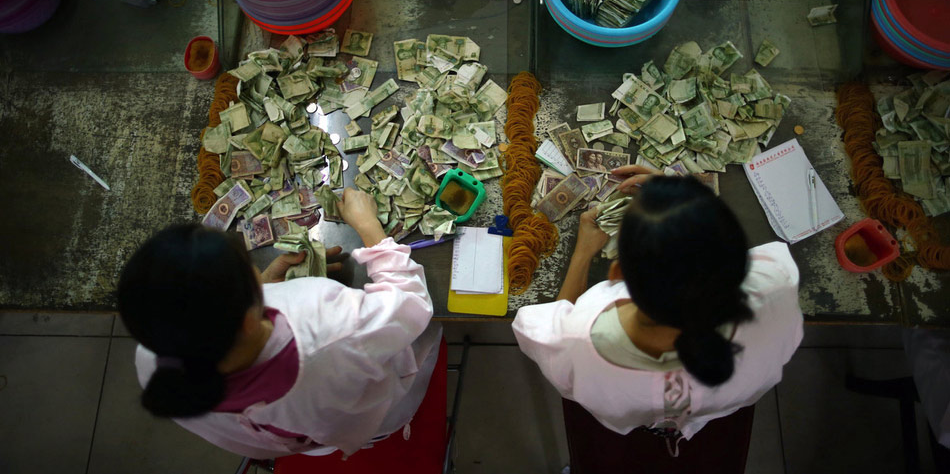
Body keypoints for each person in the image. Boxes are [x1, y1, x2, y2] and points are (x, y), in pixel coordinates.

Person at [118, 189, 441, 459]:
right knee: (409, 383)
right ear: (247, 320)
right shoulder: (330, 328)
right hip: (372, 410)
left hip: (312, 434)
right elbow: (410, 303)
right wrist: (368, 225)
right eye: (250, 276)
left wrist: (267, 287)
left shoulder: (153, 362)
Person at [513, 165, 803, 449]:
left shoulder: (577, 336)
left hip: (616, 434)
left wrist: (583, 254)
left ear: (617, 274)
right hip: (719, 414)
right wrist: (679, 203)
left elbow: (543, 326)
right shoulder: (776, 289)